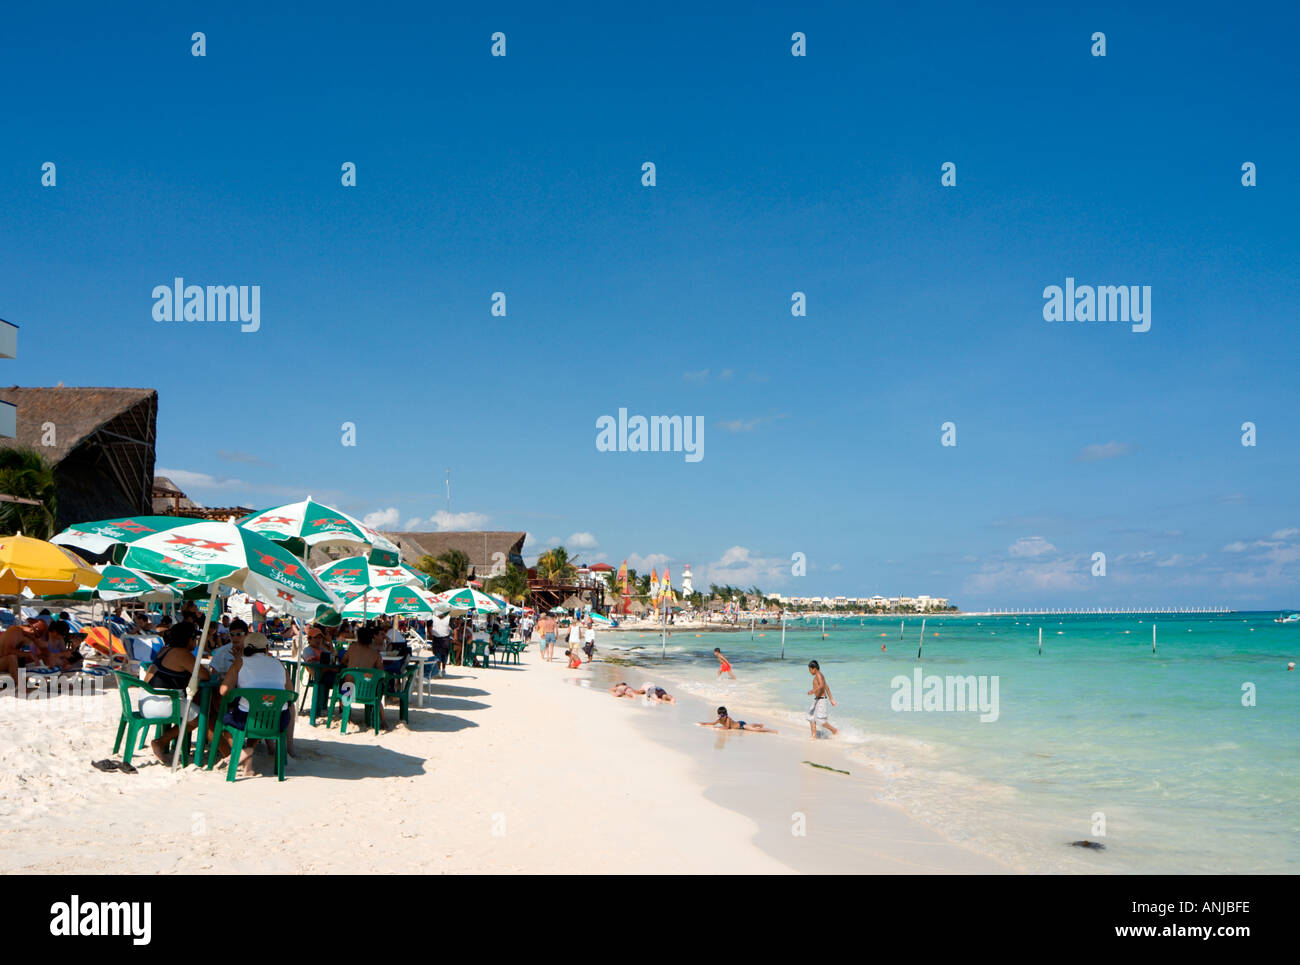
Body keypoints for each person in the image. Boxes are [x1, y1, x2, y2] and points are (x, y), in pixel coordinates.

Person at [216, 631, 296, 772]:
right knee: (260, 716)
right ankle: (248, 755)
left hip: (247, 719)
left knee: (225, 722)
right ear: (266, 649)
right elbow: (290, 693)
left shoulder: (240, 663)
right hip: (278, 720)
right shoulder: (279, 664)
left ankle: (244, 754)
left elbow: (223, 691)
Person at [143, 622, 209, 764]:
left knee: (194, 714)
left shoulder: (165, 649)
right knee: (203, 718)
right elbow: (205, 675)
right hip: (162, 703)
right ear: (189, 639)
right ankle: (161, 742)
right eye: (194, 639)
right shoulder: (182, 653)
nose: (196, 642)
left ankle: (161, 742)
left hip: (147, 700)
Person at [806, 660, 838, 738]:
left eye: (810, 670)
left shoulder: (819, 675)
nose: (810, 672)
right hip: (817, 700)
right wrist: (831, 699)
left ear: (814, 668)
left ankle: (835, 731)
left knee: (820, 720)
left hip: (821, 700)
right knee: (811, 717)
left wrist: (812, 691)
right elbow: (826, 686)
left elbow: (821, 686)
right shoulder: (819, 675)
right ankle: (814, 736)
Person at [697, 706, 776, 733]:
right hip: (739, 724)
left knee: (754, 730)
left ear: (726, 714)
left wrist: (718, 728)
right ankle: (759, 724)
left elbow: (727, 727)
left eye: (724, 714)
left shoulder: (728, 718)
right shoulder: (719, 720)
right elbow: (712, 723)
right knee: (751, 725)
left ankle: (770, 730)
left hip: (741, 725)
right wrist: (703, 723)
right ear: (719, 715)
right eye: (721, 715)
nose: (723, 716)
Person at [428, 608, 452, 675]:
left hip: (445, 638)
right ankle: (438, 670)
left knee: (445, 655)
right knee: (437, 654)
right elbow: (429, 626)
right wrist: (430, 634)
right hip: (436, 638)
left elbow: (452, 628)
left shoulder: (448, 617)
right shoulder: (433, 617)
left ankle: (444, 669)